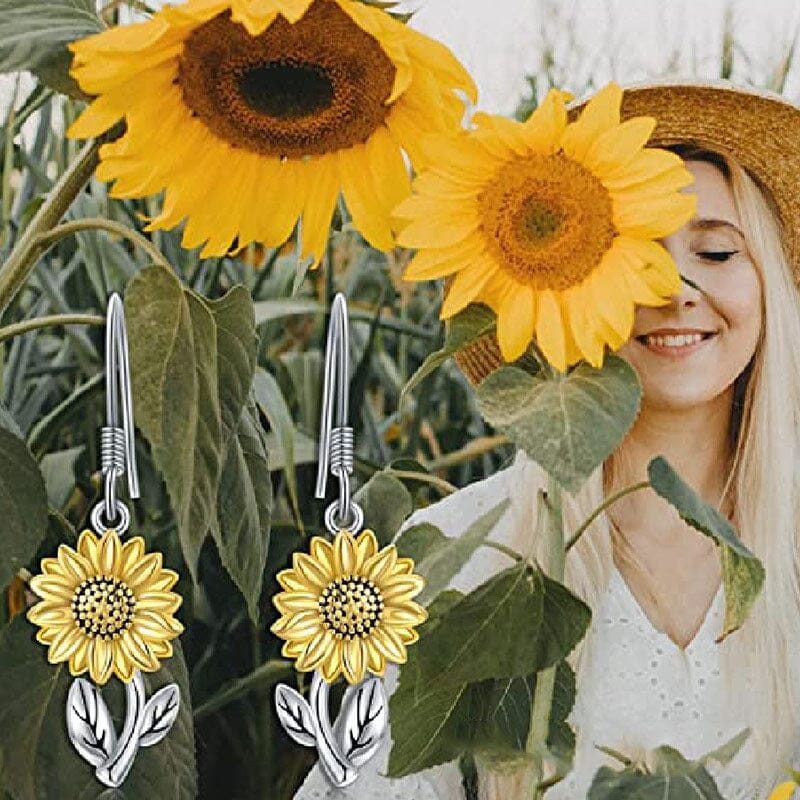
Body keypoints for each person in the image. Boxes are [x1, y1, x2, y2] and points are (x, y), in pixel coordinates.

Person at [292, 79, 800, 800]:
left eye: (718, 253)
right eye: (634, 255)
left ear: (770, 286)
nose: (674, 287)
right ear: (565, 279)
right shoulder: (460, 551)